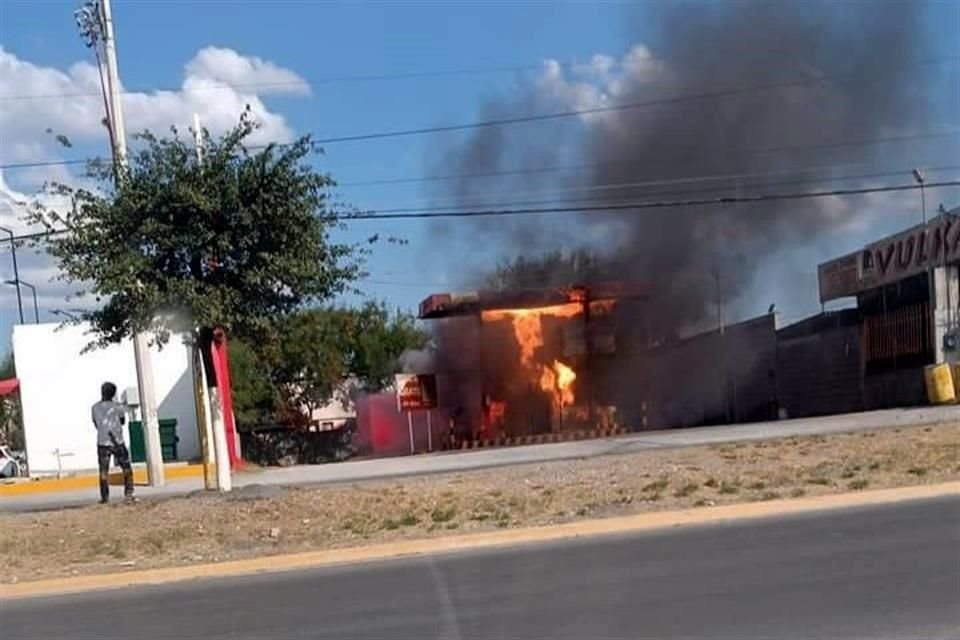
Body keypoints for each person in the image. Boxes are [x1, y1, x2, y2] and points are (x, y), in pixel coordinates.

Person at [91, 382, 135, 504]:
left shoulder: (94, 407)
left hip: (102, 442)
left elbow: (95, 423)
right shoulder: (117, 407)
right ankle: (129, 494)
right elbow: (122, 422)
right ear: (113, 394)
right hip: (117, 442)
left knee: (103, 471)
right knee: (126, 468)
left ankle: (105, 497)